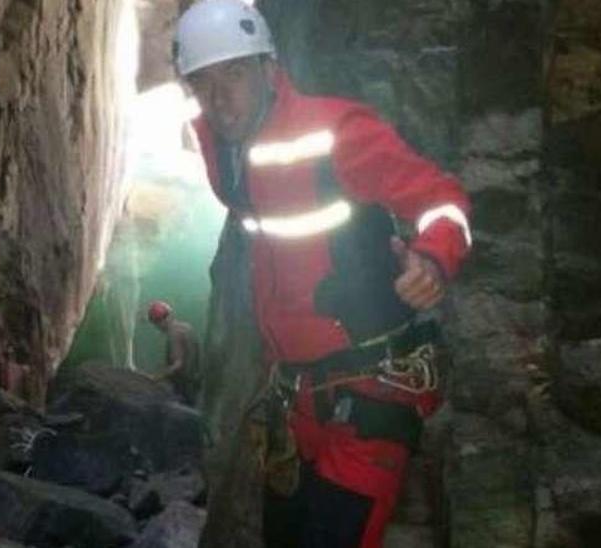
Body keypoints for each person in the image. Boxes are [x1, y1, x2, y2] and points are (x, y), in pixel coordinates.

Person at [173, 2, 472, 547]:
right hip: (296, 403)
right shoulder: (225, 157)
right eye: (203, 82)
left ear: (269, 68)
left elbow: (442, 198)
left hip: (373, 398)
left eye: (234, 74)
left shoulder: (338, 132)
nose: (220, 98)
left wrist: (433, 255)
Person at [147, 300, 203, 407]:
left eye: (156, 324)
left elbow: (177, 364)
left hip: (183, 387)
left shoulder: (173, 334)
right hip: (195, 383)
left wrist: (157, 377)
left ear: (160, 321)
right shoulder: (187, 327)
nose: (158, 329)